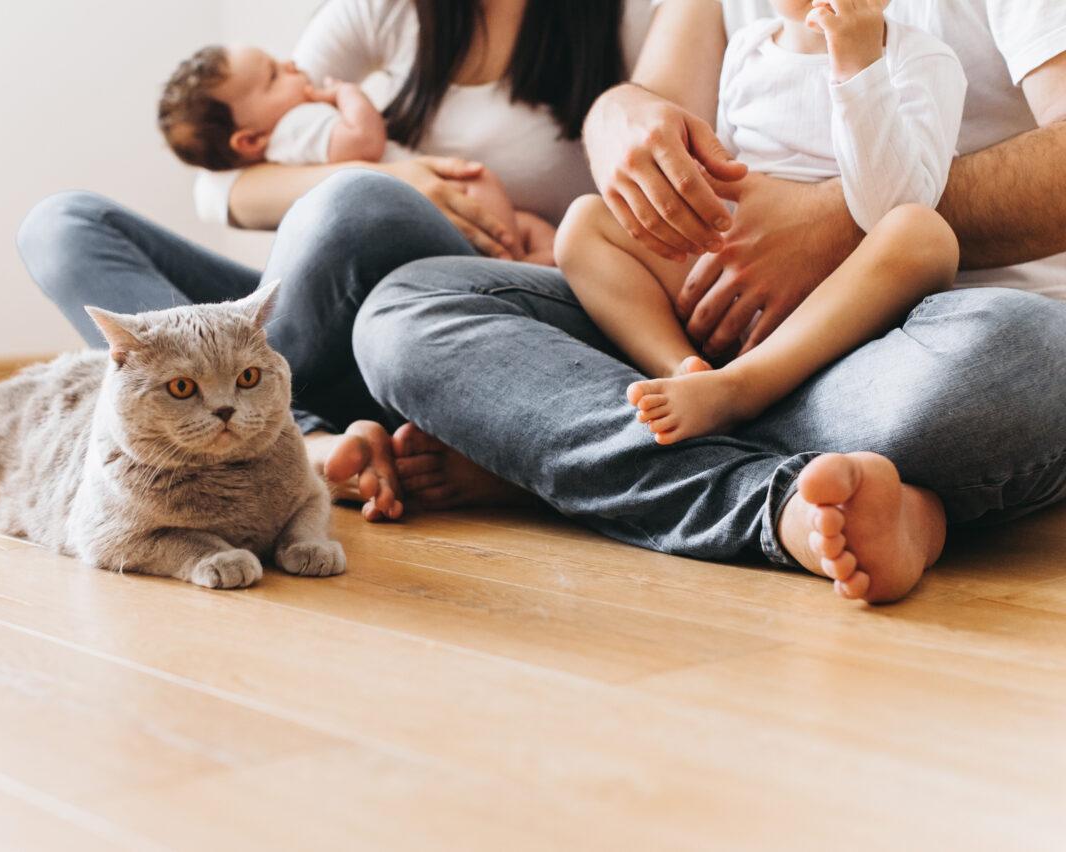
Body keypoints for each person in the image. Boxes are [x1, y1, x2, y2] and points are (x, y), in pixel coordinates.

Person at [350, 0, 1066, 603]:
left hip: (918, 335)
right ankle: (780, 484)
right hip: (715, 325)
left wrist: (834, 225)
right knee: (410, 309)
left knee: (1023, 359)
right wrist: (621, 124)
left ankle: (565, 459)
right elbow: (647, 102)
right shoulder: (745, 29)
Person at [19, 0, 649, 521]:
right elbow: (217, 185)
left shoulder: (628, 20)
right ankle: (302, 438)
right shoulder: (387, 12)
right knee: (62, 223)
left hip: (472, 311)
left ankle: (279, 438)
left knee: (358, 200)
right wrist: (393, 177)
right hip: (324, 313)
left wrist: (562, 241)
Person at [555, 0, 966, 444]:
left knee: (924, 234)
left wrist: (858, 66)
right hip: (736, 275)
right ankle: (685, 371)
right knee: (585, 224)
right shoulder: (748, 47)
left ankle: (744, 388)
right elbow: (727, 168)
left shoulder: (924, 58)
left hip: (843, 299)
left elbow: (893, 205)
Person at [155, 43, 555, 264]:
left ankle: (526, 265)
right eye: (275, 74)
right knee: (517, 235)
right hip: (444, 210)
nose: (291, 62)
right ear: (249, 141)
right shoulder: (297, 126)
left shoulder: (280, 136)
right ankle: (522, 267)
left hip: (442, 213)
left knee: (530, 226)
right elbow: (363, 142)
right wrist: (349, 94)